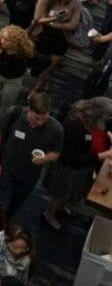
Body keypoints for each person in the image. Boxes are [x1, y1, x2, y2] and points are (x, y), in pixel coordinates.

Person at [43, 98, 112, 233]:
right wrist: (105, 155)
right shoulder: (76, 126)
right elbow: (76, 159)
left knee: (69, 192)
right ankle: (49, 214)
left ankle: (61, 207)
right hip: (68, 166)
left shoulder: (86, 117)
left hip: (79, 167)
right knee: (61, 192)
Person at [0, 91, 64, 218]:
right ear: (29, 109)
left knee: (15, 205)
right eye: (37, 118)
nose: (40, 122)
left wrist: (45, 158)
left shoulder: (56, 129)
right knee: (1, 204)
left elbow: (56, 152)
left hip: (29, 176)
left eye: (44, 118)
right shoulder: (15, 113)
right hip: (7, 168)